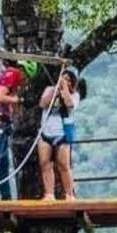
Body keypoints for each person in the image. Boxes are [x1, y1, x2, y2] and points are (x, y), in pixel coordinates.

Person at [0, 60, 38, 201]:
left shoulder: (11, 77)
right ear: (23, 71)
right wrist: (19, 100)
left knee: (3, 163)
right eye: (26, 77)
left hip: (4, 122)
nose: (25, 81)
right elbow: (0, 97)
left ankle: (6, 195)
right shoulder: (12, 75)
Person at [38, 69, 84, 201]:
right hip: (46, 132)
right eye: (64, 79)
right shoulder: (49, 90)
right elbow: (43, 103)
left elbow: (70, 105)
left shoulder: (74, 95)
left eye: (69, 80)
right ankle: (49, 194)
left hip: (62, 133)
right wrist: (55, 90)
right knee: (45, 163)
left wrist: (64, 89)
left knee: (63, 165)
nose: (65, 82)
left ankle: (69, 194)